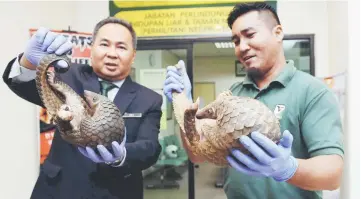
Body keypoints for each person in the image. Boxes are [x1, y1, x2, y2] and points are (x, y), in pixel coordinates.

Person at [163, 2, 344, 199]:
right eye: (235, 41)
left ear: (277, 33)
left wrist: (288, 168)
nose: (242, 47)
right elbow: (197, 154)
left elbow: (332, 175)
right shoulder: (233, 94)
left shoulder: (311, 91)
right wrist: (183, 106)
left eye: (250, 35)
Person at [2, 17, 162, 199]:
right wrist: (28, 63)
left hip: (116, 192)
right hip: (60, 189)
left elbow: (150, 148)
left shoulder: (149, 99)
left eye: (121, 47)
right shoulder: (67, 75)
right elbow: (27, 87)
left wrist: (122, 156)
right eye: (104, 44)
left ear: (133, 55)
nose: (112, 53)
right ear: (92, 48)